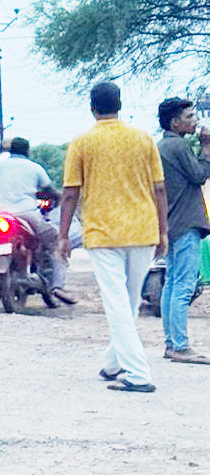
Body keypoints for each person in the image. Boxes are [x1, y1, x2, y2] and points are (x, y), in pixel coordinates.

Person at [59, 81, 167, 394]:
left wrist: (63, 236)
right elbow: (159, 188)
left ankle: (138, 375)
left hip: (103, 232)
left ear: (92, 107)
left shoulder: (81, 142)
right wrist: (163, 231)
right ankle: (113, 363)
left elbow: (69, 194)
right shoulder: (143, 138)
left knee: (118, 304)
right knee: (129, 301)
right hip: (143, 229)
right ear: (119, 105)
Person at [155, 97, 210, 364]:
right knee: (184, 285)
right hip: (187, 222)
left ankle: (171, 342)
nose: (194, 120)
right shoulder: (178, 146)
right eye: (189, 117)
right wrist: (207, 148)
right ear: (175, 123)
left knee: (172, 283)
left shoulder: (163, 146)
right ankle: (180, 344)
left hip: (171, 222)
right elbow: (200, 175)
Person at [0, 136, 72, 304]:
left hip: (1, 215)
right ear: (27, 151)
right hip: (27, 214)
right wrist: (56, 198)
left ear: (10, 151)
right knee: (52, 241)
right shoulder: (35, 167)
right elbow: (48, 190)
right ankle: (54, 283)